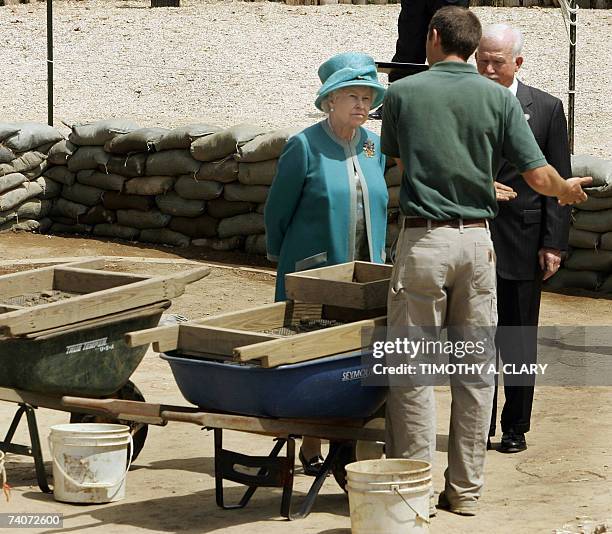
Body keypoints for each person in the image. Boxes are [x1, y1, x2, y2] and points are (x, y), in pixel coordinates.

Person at [380, 6, 590, 517]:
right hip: (478, 243)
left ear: (432, 37)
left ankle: (412, 492)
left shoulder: (403, 94)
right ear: (473, 48)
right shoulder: (499, 99)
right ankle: (466, 491)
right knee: (475, 372)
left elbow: (401, 161)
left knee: (413, 369)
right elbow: (539, 175)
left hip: (424, 242)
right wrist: (566, 190)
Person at [265, 52, 389, 475]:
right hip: (313, 273)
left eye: (367, 96)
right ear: (328, 101)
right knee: (311, 356)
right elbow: (277, 210)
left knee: (353, 357)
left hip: (362, 271)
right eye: (351, 95)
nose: (361, 104)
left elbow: (380, 204)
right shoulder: (304, 145)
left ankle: (339, 440)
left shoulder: (374, 146)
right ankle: (306, 442)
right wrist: (280, 257)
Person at [476, 24, 572, 454]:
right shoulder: (466, 102)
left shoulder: (547, 109)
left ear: (518, 62)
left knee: (516, 339)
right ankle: (478, 425)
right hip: (473, 235)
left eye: (497, 61)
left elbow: (558, 179)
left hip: (523, 239)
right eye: (482, 60)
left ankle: (515, 426)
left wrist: (554, 242)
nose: (488, 68)